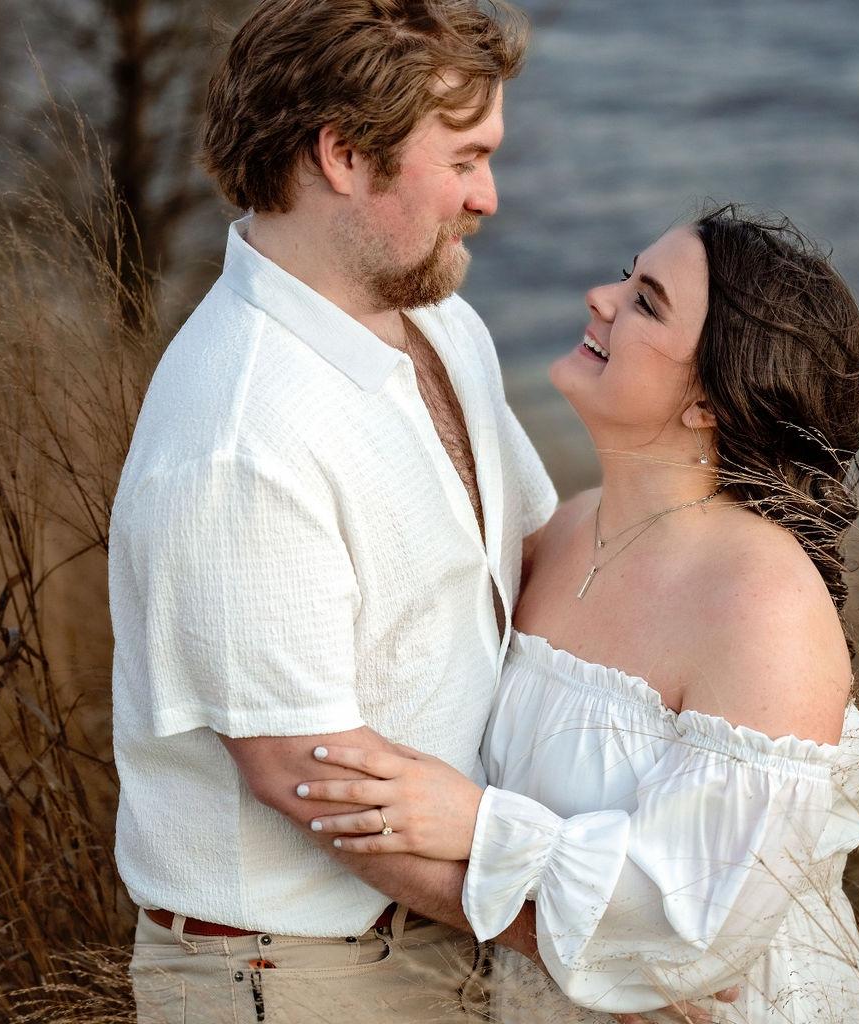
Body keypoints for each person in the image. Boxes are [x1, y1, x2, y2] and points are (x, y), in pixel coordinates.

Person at [292, 205, 859, 1022]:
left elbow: (699, 929)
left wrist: (480, 825)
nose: (600, 299)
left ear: (710, 402)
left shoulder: (762, 602)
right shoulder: (570, 529)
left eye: (647, 302)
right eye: (625, 275)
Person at [109, 2, 560, 1021]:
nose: (488, 196)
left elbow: (539, 546)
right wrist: (591, 944)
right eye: (465, 158)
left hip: (446, 927)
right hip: (297, 977)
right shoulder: (238, 440)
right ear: (344, 154)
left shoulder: (442, 322)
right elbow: (311, 780)